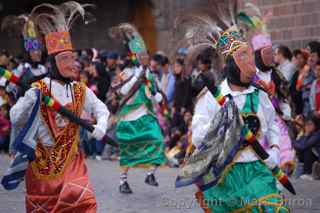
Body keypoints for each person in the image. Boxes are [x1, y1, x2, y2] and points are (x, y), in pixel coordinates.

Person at [174, 4, 288, 212]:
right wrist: (228, 129)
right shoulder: (210, 98)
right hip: (225, 175)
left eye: (249, 56)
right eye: (242, 57)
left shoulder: (260, 94)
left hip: (257, 169)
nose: (249, 64)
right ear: (230, 65)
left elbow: (272, 125)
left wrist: (274, 149)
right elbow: (198, 135)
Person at [2, 2, 109, 212]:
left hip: (72, 161)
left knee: (82, 199)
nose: (72, 64)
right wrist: (30, 100)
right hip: (42, 166)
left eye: (73, 58)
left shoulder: (80, 89)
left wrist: (101, 127)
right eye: (65, 59)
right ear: (53, 63)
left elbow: (101, 109)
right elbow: (15, 117)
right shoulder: (37, 88)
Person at [109, 23, 166, 194]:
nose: (145, 58)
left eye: (146, 55)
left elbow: (155, 95)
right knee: (128, 152)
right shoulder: (126, 73)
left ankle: (150, 174)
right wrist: (136, 77)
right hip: (128, 119)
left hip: (146, 116)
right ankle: (123, 182)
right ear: (135, 56)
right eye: (141, 55)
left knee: (158, 142)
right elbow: (121, 91)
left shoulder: (150, 74)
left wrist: (157, 96)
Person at [239, 5, 295, 174]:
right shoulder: (251, 75)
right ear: (258, 56)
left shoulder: (276, 74)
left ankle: (283, 168)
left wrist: (286, 111)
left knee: (281, 144)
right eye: (267, 53)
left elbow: (284, 96)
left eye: (272, 53)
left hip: (276, 119)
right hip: (257, 119)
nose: (271, 57)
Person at [293, 114, 320, 180]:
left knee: (308, 149)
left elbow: (303, 146)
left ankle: (308, 173)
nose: (307, 126)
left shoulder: (317, 134)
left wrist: (306, 135)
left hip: (317, 159)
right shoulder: (307, 133)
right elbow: (297, 144)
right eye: (306, 124)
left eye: (310, 124)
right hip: (307, 159)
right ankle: (303, 172)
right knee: (301, 150)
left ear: (315, 125)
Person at [291, 49, 309, 115]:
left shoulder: (308, 71)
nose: (298, 60)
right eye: (297, 58)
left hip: (305, 104)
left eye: (301, 58)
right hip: (298, 105)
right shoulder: (295, 74)